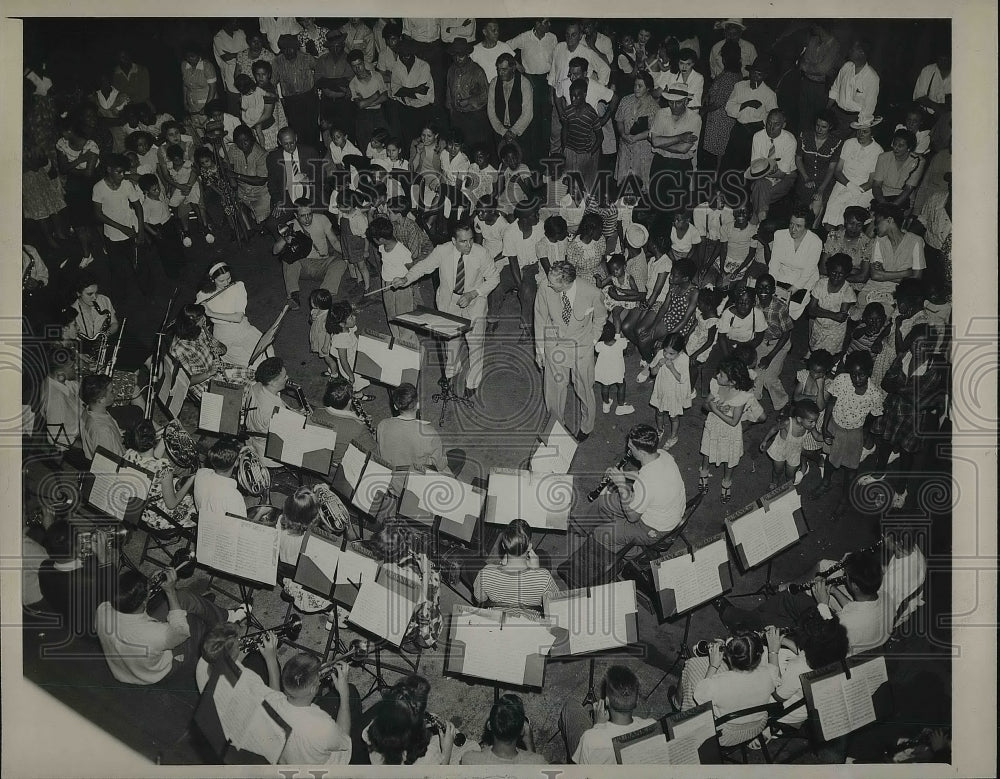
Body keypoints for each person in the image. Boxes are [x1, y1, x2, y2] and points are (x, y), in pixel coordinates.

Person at [390, 221, 500, 397]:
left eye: (471, 240)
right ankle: (451, 371)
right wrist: (405, 279)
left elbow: (494, 278)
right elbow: (424, 267)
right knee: (450, 341)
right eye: (463, 241)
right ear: (453, 241)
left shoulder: (481, 253)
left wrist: (473, 294)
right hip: (449, 301)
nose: (469, 245)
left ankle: (472, 382)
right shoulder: (442, 250)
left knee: (475, 343)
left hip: (475, 301)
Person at [719, 548, 892, 657]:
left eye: (846, 577)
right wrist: (833, 590)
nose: (843, 577)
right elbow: (856, 608)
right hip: (841, 627)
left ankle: (740, 620)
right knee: (790, 596)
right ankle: (752, 618)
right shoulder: (884, 598)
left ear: (854, 585)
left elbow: (823, 636)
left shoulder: (848, 622)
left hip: (825, 646)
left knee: (770, 622)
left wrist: (822, 603)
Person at [95, 567, 245, 687]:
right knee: (191, 619)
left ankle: (208, 608)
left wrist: (150, 581)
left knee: (185, 597)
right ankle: (226, 619)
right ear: (143, 603)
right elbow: (181, 631)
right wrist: (170, 591)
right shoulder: (153, 634)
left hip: (125, 669)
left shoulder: (103, 609)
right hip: (158, 674)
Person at [534, 261, 607, 442]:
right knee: (554, 389)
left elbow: (601, 317)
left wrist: (593, 340)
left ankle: (586, 425)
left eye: (554, 283)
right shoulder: (545, 286)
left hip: (581, 346)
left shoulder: (592, 293)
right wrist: (540, 350)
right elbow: (540, 317)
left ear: (566, 282)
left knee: (584, 387)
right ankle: (556, 424)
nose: (549, 284)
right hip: (555, 345)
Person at [809, 350, 884, 512]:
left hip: (854, 432)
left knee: (851, 468)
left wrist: (863, 430)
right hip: (834, 425)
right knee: (829, 458)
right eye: (853, 375)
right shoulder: (842, 380)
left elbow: (875, 414)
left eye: (861, 375)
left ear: (869, 373)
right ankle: (826, 483)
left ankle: (844, 499)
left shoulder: (874, 394)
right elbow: (831, 403)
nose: (857, 379)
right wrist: (825, 426)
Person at [674, 631, 779, 746]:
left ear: (728, 658)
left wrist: (713, 665)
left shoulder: (718, 683)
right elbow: (776, 674)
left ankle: (677, 703)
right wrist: (773, 650)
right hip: (756, 727)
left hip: (725, 734)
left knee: (692, 665)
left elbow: (701, 698)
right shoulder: (769, 673)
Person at [594, 423, 687, 551]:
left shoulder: (647, 484)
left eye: (631, 448)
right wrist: (622, 474)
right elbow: (641, 474)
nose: (628, 450)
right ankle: (591, 527)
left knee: (600, 534)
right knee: (603, 503)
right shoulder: (662, 455)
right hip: (667, 510)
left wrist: (621, 484)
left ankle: (634, 554)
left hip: (654, 528)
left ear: (642, 452)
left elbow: (632, 517)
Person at [269, 654, 362, 765]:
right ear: (314, 689)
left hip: (291, 760)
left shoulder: (272, 703)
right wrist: (344, 695)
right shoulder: (323, 725)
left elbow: (273, 692)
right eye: (319, 677)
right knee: (351, 691)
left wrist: (270, 658)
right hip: (330, 768)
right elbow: (344, 738)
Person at [559, 665, 656, 765]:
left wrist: (598, 726)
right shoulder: (652, 725)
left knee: (571, 706)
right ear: (636, 701)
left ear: (607, 701)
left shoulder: (589, 739)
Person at [37, 519, 118, 637]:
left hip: (69, 618)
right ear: (76, 549)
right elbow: (114, 591)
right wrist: (104, 558)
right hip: (92, 627)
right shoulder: (91, 579)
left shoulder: (44, 567)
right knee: (114, 556)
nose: (82, 537)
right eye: (78, 537)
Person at [272, 197, 349, 311]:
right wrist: (285, 239)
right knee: (287, 259)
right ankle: (294, 295)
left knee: (341, 263)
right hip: (303, 265)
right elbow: (275, 251)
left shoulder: (322, 219)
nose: (307, 218)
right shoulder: (290, 226)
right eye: (303, 215)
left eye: (310, 214)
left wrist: (349, 255)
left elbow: (334, 241)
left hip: (323, 263)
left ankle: (323, 295)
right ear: (296, 215)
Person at [168, 302, 254, 401]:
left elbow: (221, 347)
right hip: (205, 385)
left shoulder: (200, 330)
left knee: (254, 377)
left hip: (218, 370)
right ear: (191, 324)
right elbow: (184, 381)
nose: (205, 319)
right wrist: (209, 373)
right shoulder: (178, 350)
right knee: (244, 397)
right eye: (201, 319)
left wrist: (220, 348)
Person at [123, 420, 197, 534]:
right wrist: (192, 479)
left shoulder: (129, 453)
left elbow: (150, 461)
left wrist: (165, 438)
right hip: (160, 517)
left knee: (177, 482)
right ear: (153, 439)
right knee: (200, 501)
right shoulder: (163, 469)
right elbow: (172, 504)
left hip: (139, 510)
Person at [376, 382, 465, 477]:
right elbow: (437, 464)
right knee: (459, 455)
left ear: (395, 406)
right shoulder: (428, 433)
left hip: (394, 471)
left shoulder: (382, 425)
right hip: (418, 474)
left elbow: (381, 450)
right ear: (418, 405)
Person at [855, 203, 926, 319]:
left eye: (877, 222)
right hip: (873, 288)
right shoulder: (879, 240)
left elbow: (916, 279)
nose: (875, 227)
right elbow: (875, 275)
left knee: (883, 313)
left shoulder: (916, 241)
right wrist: (906, 273)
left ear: (889, 220)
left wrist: (884, 274)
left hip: (898, 291)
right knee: (863, 304)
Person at [473, 519, 561, 613]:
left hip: (499, 622)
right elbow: (555, 603)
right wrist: (537, 570)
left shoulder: (485, 574)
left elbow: (480, 599)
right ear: (529, 547)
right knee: (542, 554)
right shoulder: (544, 577)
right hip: (529, 624)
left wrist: (496, 567)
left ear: (503, 545)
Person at [699, 357, 754, 504]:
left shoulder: (740, 397)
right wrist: (712, 406)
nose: (717, 376)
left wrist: (716, 410)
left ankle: (726, 482)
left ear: (732, 382)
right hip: (713, 426)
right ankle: (703, 473)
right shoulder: (716, 386)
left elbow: (734, 422)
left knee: (730, 457)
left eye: (721, 375)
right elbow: (705, 405)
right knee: (708, 450)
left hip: (730, 431)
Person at [92, 153, 146, 298]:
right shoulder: (98, 188)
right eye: (119, 172)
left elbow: (138, 206)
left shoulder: (127, 185)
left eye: (124, 172)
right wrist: (121, 228)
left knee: (139, 264)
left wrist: (141, 231)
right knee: (117, 268)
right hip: (113, 236)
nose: (122, 175)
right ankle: (122, 296)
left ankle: (145, 292)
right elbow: (98, 214)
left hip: (132, 230)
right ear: (109, 169)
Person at [506, 19, 557, 166]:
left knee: (547, 121)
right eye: (546, 22)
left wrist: (551, 83)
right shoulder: (524, 37)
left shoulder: (552, 38)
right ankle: (532, 160)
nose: (549, 25)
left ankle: (545, 157)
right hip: (530, 80)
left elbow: (554, 62)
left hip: (547, 80)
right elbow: (505, 47)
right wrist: (517, 66)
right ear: (537, 23)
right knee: (532, 120)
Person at [194, 262, 264, 367]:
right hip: (224, 336)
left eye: (228, 278)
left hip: (244, 329)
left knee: (265, 355)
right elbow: (196, 318)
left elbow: (238, 317)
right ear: (212, 279)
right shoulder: (203, 295)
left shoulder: (238, 286)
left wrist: (210, 313)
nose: (226, 283)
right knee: (250, 364)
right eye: (221, 281)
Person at [821, 113, 883, 228]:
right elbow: (838, 171)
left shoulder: (878, 151)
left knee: (846, 217)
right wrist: (849, 186)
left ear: (872, 133)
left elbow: (871, 182)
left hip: (863, 190)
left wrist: (854, 191)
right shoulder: (849, 143)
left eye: (865, 132)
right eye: (859, 131)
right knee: (830, 216)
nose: (860, 134)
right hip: (843, 183)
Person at [721, 58, 777, 179]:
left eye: (759, 74)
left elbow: (772, 117)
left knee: (748, 166)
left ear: (765, 76)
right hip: (739, 129)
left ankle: (744, 194)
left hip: (755, 133)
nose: (755, 77)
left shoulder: (769, 94)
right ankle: (725, 192)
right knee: (730, 164)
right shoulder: (739, 86)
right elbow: (728, 108)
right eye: (753, 72)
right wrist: (746, 104)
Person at [767, 207, 823, 319]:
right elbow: (774, 264)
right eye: (791, 224)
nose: (793, 229)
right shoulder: (779, 235)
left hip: (803, 280)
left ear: (807, 227)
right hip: (781, 274)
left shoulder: (815, 242)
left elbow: (808, 272)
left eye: (798, 226)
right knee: (771, 304)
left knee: (789, 309)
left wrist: (789, 292)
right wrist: (772, 285)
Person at [197, 622, 281, 695]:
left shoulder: (204, 660)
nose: (241, 642)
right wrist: (271, 659)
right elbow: (276, 704)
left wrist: (250, 645)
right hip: (246, 704)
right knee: (265, 663)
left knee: (255, 657)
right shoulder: (246, 680)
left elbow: (231, 661)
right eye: (239, 643)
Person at [461, 693, 546, 765]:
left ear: (489, 725)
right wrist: (529, 743)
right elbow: (535, 770)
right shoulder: (538, 762)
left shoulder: (469, 759)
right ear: (522, 731)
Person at [649, 85, 701, 201]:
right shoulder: (661, 114)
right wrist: (680, 137)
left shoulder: (695, 119)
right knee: (656, 201)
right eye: (670, 102)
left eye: (678, 103)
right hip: (660, 163)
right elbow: (655, 142)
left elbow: (683, 149)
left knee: (678, 204)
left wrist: (662, 142)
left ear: (686, 101)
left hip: (681, 166)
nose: (673, 106)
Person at [310, 378, 377, 467]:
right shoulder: (358, 427)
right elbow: (373, 450)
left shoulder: (317, 412)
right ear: (350, 401)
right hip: (340, 467)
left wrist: (354, 418)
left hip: (321, 458)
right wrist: (372, 432)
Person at [747, 109, 798, 224]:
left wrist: (764, 170)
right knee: (760, 184)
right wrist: (768, 170)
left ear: (784, 125)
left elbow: (781, 173)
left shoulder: (790, 140)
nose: (771, 128)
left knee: (758, 189)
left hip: (786, 177)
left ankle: (755, 219)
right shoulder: (758, 137)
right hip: (762, 179)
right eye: (769, 123)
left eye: (776, 124)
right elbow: (755, 170)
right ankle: (761, 220)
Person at [701, 41, 743, 174]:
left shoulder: (729, 77)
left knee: (718, 151)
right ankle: (716, 176)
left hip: (720, 118)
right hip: (721, 117)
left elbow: (719, 102)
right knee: (718, 151)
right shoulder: (732, 73)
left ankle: (716, 178)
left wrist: (703, 110)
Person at [760, 399, 820, 488]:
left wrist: (827, 437)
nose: (814, 424)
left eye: (815, 421)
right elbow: (774, 429)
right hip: (780, 449)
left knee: (790, 475)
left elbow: (817, 436)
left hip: (794, 452)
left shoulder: (809, 426)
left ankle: (788, 487)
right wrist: (765, 440)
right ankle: (774, 482)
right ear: (799, 419)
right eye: (811, 421)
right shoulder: (787, 423)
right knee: (777, 470)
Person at [613, 71, 659, 189]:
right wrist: (623, 134)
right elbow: (619, 119)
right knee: (623, 186)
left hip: (642, 151)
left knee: (640, 186)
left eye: (640, 86)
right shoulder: (625, 100)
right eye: (635, 85)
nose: (636, 89)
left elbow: (652, 130)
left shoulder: (654, 107)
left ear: (648, 88)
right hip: (625, 148)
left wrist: (635, 138)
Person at [487, 53, 534, 164]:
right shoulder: (494, 83)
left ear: (513, 68)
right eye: (498, 69)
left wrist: (513, 132)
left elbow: (528, 113)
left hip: (520, 132)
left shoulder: (524, 83)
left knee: (522, 164)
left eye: (504, 69)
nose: (500, 72)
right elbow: (491, 111)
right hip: (500, 132)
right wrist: (503, 132)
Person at [389, 38, 436, 150]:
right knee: (408, 142)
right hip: (406, 109)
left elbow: (422, 93)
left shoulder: (424, 66)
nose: (404, 58)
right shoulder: (396, 66)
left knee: (424, 141)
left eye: (408, 55)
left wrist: (405, 91)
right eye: (402, 55)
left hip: (422, 109)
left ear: (413, 54)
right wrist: (415, 89)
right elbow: (395, 90)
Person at [827, 39, 880, 138]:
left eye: (853, 49)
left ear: (862, 53)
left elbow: (868, 107)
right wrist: (827, 111)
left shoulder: (872, 78)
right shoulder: (847, 67)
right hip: (837, 113)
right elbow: (835, 89)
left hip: (854, 119)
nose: (849, 50)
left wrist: (860, 127)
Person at [273, 35, 319, 146]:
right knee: (296, 129)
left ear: (296, 47)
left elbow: (319, 69)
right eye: (284, 49)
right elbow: (273, 82)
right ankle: (301, 152)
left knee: (312, 127)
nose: (288, 51)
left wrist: (316, 86)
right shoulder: (277, 62)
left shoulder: (306, 58)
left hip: (308, 98)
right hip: (291, 101)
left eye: (290, 48)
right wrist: (279, 98)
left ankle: (315, 152)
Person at [266, 126, 322, 216]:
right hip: (286, 196)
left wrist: (309, 181)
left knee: (317, 218)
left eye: (292, 143)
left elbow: (320, 177)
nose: (290, 147)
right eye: (286, 144)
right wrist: (278, 200)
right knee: (273, 224)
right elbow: (271, 184)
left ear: (296, 138)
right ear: (280, 142)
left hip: (310, 193)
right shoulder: (273, 158)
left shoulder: (310, 152)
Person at [808, 253, 857, 354]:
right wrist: (833, 315)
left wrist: (819, 310)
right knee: (815, 352)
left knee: (829, 356)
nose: (836, 276)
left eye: (841, 274)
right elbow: (811, 310)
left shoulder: (847, 290)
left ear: (847, 274)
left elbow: (841, 317)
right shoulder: (821, 284)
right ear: (829, 271)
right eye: (834, 272)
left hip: (835, 332)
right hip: (819, 327)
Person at [649, 333, 691, 448]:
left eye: (672, 354)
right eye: (665, 351)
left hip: (674, 392)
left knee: (673, 416)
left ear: (680, 352)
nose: (667, 356)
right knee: (659, 411)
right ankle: (660, 429)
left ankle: (673, 436)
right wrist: (658, 365)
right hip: (661, 388)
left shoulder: (684, 359)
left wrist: (672, 367)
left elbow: (682, 379)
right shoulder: (659, 354)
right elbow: (652, 372)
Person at [822, 206, 874, 297]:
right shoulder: (833, 236)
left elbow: (863, 277)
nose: (854, 228)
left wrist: (835, 273)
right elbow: (822, 268)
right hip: (828, 282)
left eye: (859, 225)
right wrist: (854, 271)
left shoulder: (867, 243)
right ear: (845, 221)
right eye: (851, 223)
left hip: (852, 288)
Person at [42, 344, 84, 451]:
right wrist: (88, 448)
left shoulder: (57, 380)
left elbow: (75, 386)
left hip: (84, 427)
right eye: (71, 366)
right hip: (73, 448)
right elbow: (58, 439)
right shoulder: (56, 400)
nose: (76, 367)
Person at [871, 128, 925, 209]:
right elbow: (876, 185)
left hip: (903, 199)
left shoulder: (918, 161)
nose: (895, 148)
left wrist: (892, 207)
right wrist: (884, 204)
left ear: (909, 147)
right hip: (883, 197)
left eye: (900, 146)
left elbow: (908, 189)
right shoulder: (883, 157)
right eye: (894, 144)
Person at [192, 437, 246, 517]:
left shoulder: (200, 473)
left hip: (204, 520)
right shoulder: (234, 496)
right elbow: (241, 527)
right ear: (236, 462)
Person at [347, 49, 389, 150]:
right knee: (366, 145)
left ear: (363, 62)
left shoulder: (376, 75)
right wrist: (375, 95)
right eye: (354, 66)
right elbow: (360, 105)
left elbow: (385, 97)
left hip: (379, 113)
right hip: (363, 116)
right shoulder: (353, 83)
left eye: (359, 64)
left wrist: (366, 101)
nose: (358, 68)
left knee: (383, 143)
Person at [80, 375, 125, 460]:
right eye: (112, 391)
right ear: (101, 399)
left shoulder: (88, 411)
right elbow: (111, 464)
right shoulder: (103, 431)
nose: (115, 392)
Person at [594, 320, 631, 416]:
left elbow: (596, 350)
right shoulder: (621, 342)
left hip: (604, 371)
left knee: (605, 387)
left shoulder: (599, 345)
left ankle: (606, 404)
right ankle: (621, 405)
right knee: (621, 385)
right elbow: (626, 348)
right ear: (615, 332)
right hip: (617, 370)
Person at [180, 46, 219, 135]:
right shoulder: (184, 65)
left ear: (199, 55)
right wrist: (185, 102)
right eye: (188, 57)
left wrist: (207, 106)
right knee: (197, 129)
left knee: (211, 129)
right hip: (192, 104)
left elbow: (213, 88)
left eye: (193, 56)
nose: (190, 59)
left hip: (207, 101)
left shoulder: (207, 66)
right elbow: (185, 85)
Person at [212, 18, 248, 115]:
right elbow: (227, 59)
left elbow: (248, 52)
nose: (238, 23)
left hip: (245, 71)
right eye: (235, 21)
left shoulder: (240, 33)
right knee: (235, 108)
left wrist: (233, 54)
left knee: (248, 105)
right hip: (230, 75)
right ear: (227, 22)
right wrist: (241, 54)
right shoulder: (218, 38)